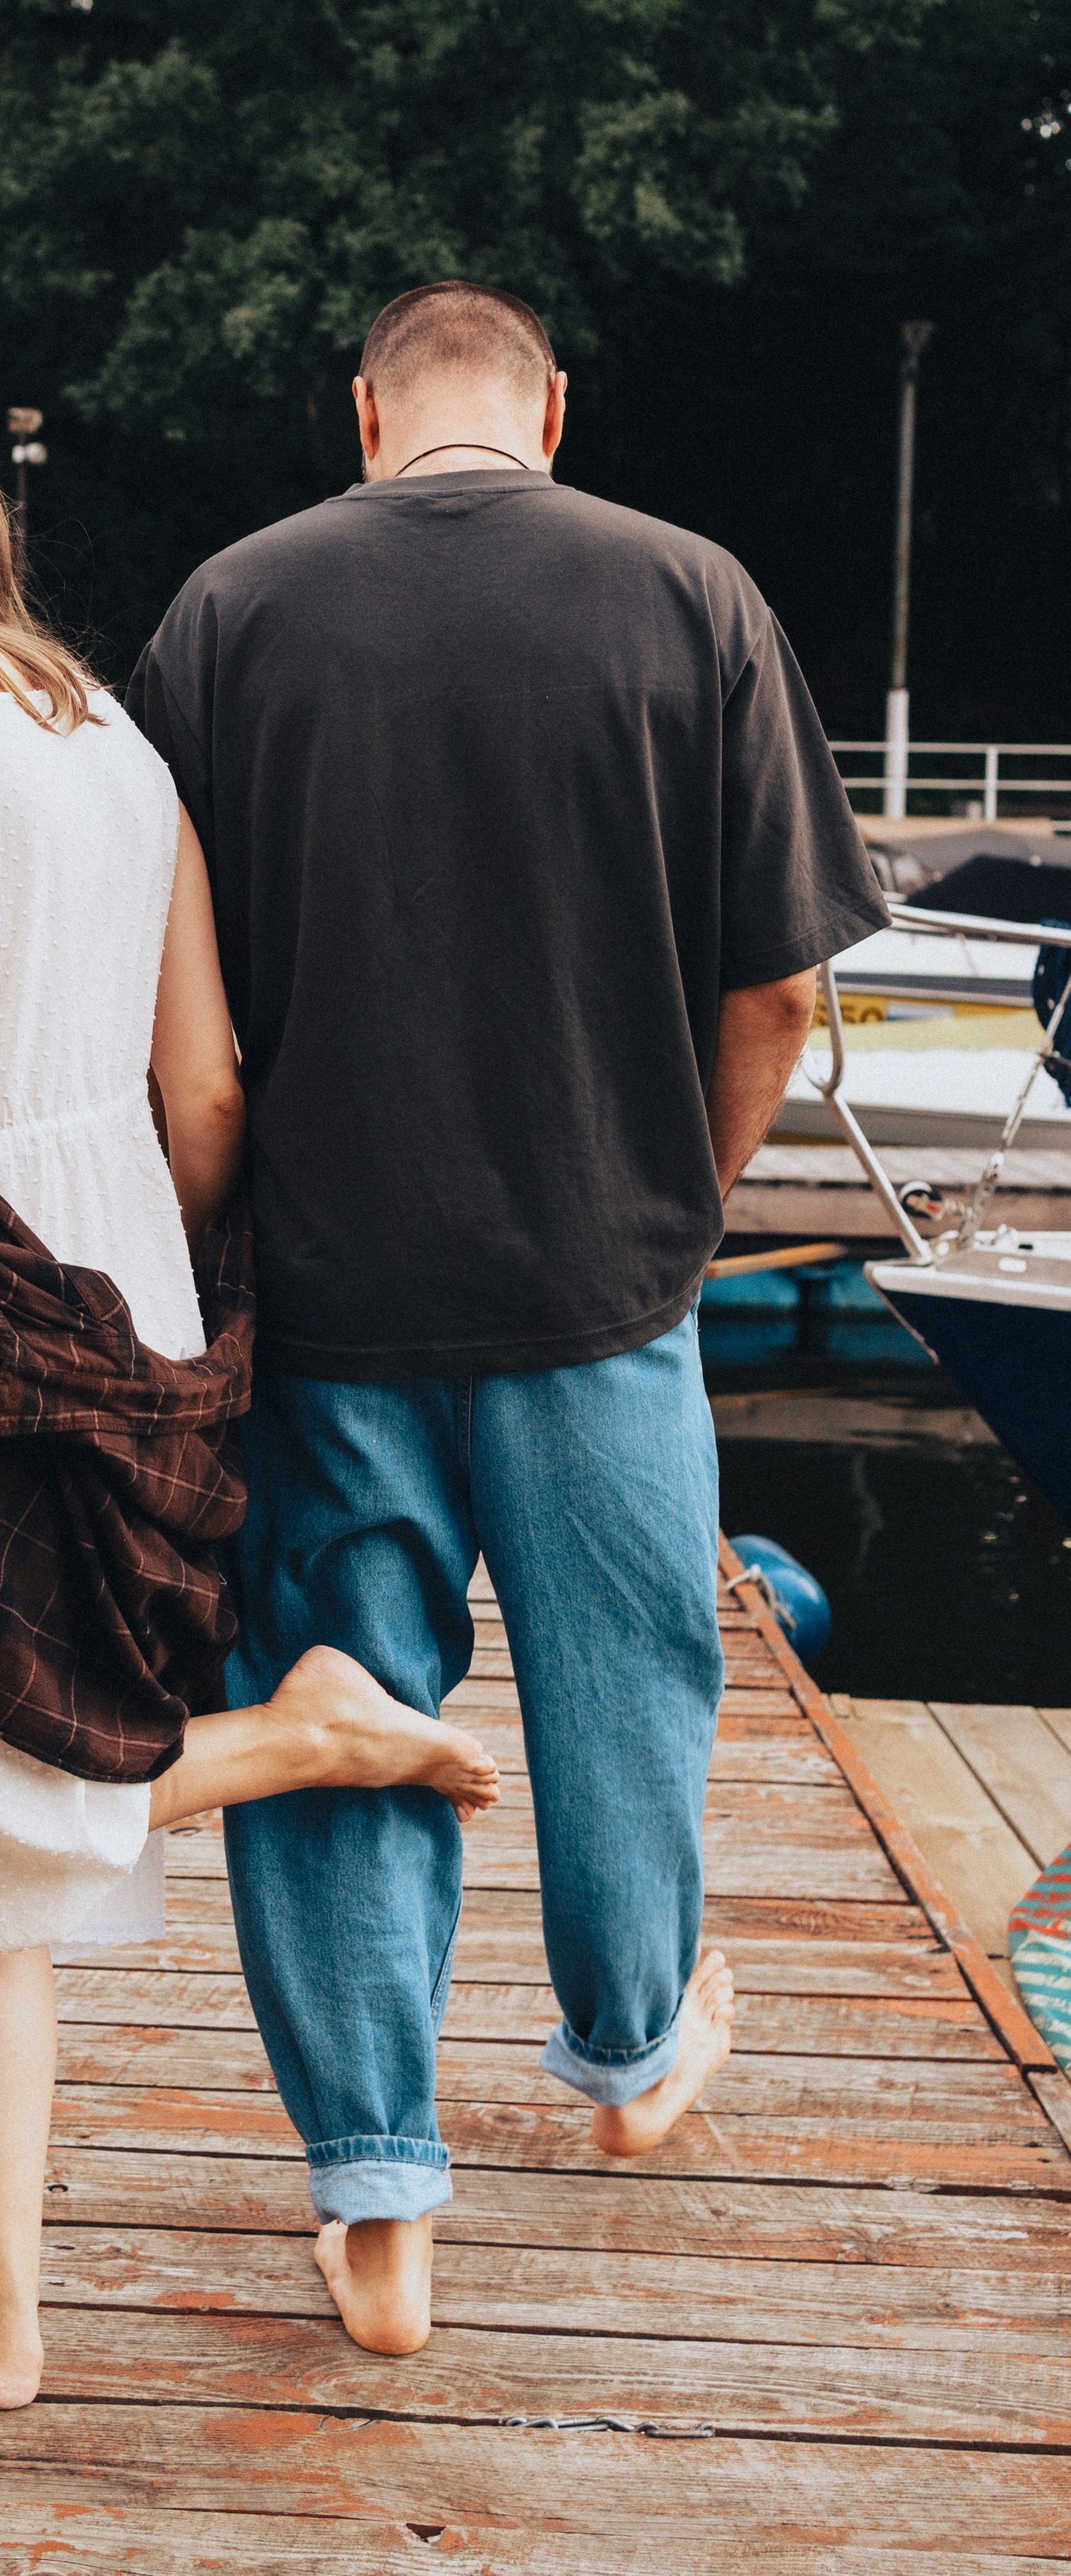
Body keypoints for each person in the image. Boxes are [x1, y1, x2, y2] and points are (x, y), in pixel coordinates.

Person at [0, 377, 500, 2412]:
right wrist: (153, 1289)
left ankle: (302, 1740)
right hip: (116, 1281)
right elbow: (207, 1081)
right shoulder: (111, 742)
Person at [128, 281, 890, 2357]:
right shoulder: (692, 596)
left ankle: (379, 2206)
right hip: (601, 1281)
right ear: (548, 408)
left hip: (328, 1292)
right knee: (629, 1684)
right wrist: (678, 1206)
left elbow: (174, 1027)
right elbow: (778, 996)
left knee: (333, 1699)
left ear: (365, 412)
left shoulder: (229, 614)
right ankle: (635, 2053)